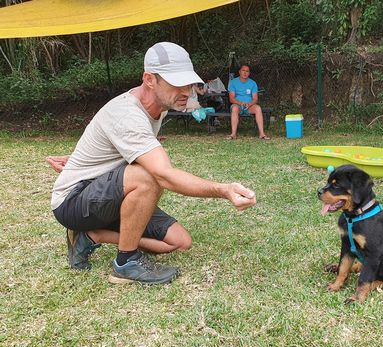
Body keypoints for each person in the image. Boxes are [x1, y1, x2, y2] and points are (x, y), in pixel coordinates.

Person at [50, 42, 257, 284]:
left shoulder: (160, 106)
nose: (187, 91)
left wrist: (76, 159)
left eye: (189, 83)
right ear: (149, 79)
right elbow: (164, 174)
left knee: (179, 242)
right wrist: (223, 189)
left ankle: (94, 234)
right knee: (150, 175)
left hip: (108, 195)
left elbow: (109, 142)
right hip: (73, 201)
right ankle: (126, 262)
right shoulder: (127, 113)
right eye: (177, 83)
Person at [226, 64, 270, 140]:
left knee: (258, 108)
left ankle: (262, 134)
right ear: (239, 72)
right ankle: (233, 134)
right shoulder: (233, 82)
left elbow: (255, 99)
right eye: (243, 70)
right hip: (238, 105)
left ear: (249, 73)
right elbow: (231, 99)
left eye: (247, 71)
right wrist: (240, 103)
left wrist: (249, 104)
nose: (245, 73)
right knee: (234, 109)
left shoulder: (253, 83)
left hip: (249, 106)